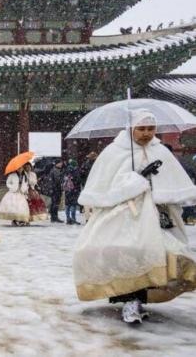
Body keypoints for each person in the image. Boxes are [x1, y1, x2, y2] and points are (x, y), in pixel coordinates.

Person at [73, 109, 196, 323]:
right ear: (131, 128)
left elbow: (174, 183)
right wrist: (132, 182)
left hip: (156, 215)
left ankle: (137, 298)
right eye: (141, 128)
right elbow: (105, 187)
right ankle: (129, 298)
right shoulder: (114, 152)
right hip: (122, 214)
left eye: (151, 129)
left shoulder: (161, 151)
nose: (146, 133)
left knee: (154, 253)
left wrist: (156, 189)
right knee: (123, 251)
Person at [63, 160, 81, 225]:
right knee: (73, 205)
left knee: (67, 205)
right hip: (74, 190)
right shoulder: (75, 171)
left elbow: (63, 179)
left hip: (67, 190)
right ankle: (73, 219)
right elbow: (78, 181)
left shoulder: (66, 171)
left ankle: (68, 219)